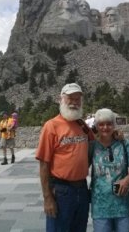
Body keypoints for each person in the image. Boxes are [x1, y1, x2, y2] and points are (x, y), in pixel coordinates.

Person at [36, 83, 95, 232]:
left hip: (82, 189)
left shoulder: (82, 126)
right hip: (61, 192)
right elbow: (44, 165)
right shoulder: (51, 126)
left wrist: (115, 136)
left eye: (78, 99)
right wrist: (47, 198)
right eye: (70, 98)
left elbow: (97, 144)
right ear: (61, 99)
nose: (75, 102)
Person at [90, 108, 129, 232]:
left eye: (109, 124)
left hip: (122, 204)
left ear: (114, 125)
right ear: (96, 126)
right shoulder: (92, 146)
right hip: (100, 205)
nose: (105, 127)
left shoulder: (124, 144)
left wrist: (126, 180)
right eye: (101, 124)